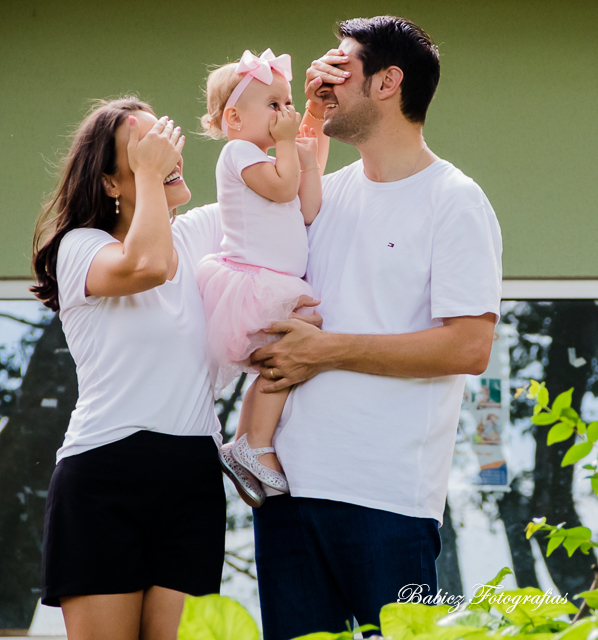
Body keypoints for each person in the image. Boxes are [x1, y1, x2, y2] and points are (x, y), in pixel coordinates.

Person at [248, 16, 503, 639]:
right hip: (286, 495)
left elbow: (469, 346)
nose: (322, 79)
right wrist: (310, 111)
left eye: (340, 68)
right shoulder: (323, 194)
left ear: (388, 82)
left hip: (387, 502)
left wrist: (325, 351)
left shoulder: (455, 199)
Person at [32, 98, 226, 640]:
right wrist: (152, 173)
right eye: (142, 149)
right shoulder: (80, 248)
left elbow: (284, 198)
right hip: (104, 478)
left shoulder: (200, 234)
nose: (166, 154)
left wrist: (302, 119)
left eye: (163, 139)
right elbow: (148, 265)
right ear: (110, 182)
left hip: (193, 478)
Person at [196, 48, 326, 504]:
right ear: (234, 117)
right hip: (253, 283)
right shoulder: (238, 153)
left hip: (272, 282)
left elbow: (307, 207)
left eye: (287, 103)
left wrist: (308, 159)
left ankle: (246, 443)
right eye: (274, 104)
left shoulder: (267, 160)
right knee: (285, 356)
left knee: (277, 361)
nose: (286, 113)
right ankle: (256, 444)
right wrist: (290, 146)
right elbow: (284, 189)